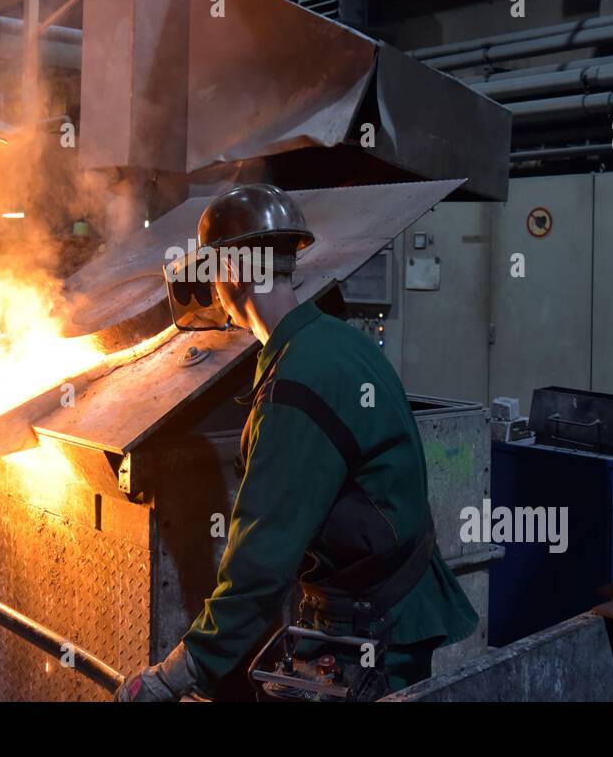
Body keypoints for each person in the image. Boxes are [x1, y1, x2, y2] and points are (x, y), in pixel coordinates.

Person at [118, 183, 478, 701]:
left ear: (235, 271)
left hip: (372, 630)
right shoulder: (333, 339)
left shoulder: (296, 386)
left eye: (213, 267)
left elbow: (260, 561)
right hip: (386, 605)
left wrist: (175, 674)